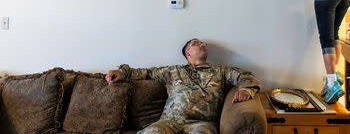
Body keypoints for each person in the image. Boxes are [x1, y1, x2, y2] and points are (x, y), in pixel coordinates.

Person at [106, 38, 260, 134]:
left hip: (202, 124)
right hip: (169, 122)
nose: (202, 44)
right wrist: (122, 73)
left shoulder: (221, 71)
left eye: (202, 43)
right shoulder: (173, 71)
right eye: (196, 43)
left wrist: (246, 89)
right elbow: (146, 73)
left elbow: (245, 75)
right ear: (188, 53)